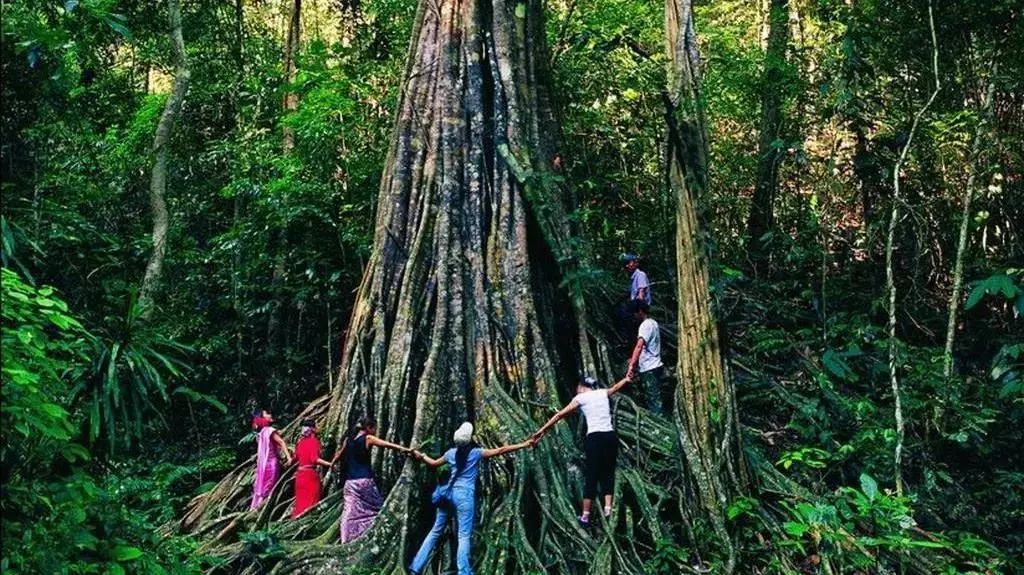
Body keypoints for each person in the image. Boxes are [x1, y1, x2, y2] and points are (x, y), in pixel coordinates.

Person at [408, 423, 533, 575]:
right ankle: (464, 572)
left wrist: (421, 456)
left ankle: (416, 567)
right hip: (463, 497)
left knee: (435, 531)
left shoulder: (450, 453)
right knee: (464, 535)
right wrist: (524, 444)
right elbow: (501, 450)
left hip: (447, 494)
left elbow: (433, 464)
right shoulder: (476, 453)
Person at [531, 375, 633, 528]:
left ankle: (585, 515)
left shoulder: (581, 397)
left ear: (581, 386)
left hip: (595, 438)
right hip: (610, 437)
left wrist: (542, 430)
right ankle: (608, 509)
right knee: (608, 472)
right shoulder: (602, 392)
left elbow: (560, 414)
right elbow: (615, 388)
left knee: (591, 474)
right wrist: (626, 379)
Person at [338, 416, 414, 543]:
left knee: (350, 512)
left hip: (350, 483)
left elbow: (339, 454)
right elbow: (386, 444)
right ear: (368, 428)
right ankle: (378, 535)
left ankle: (346, 539)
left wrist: (332, 463)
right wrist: (406, 450)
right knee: (376, 509)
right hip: (364, 481)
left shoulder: (348, 440)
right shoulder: (368, 438)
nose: (376, 431)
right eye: (375, 428)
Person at [626, 300, 665, 415]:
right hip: (655, 364)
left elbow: (639, 346)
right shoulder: (654, 323)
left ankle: (659, 424)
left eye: (635, 313)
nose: (634, 316)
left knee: (653, 399)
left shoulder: (645, 325)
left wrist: (631, 365)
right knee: (655, 396)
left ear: (640, 311)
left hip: (649, 368)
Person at [250, 409, 292, 510]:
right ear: (262, 418)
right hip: (272, 464)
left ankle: (257, 508)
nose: (270, 415)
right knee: (270, 488)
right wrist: (289, 457)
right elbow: (281, 442)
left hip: (263, 466)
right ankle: (261, 510)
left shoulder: (259, 435)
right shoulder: (269, 430)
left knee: (264, 487)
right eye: (267, 414)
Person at [291, 419, 334, 518]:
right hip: (310, 476)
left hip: (300, 476)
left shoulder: (300, 443)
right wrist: (330, 464)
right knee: (311, 503)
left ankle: (296, 522)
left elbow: (295, 457)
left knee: (300, 503)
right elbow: (314, 459)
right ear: (313, 430)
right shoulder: (314, 442)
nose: (319, 427)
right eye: (317, 425)